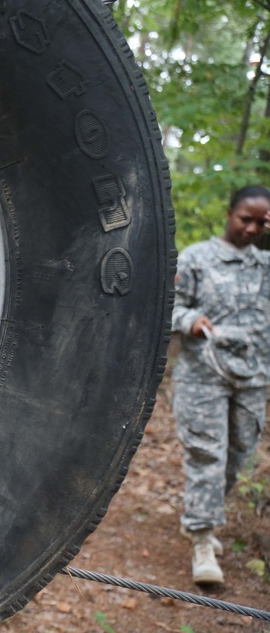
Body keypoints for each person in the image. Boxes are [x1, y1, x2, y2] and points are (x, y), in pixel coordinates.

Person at [172, 184, 270, 585]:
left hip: (253, 377)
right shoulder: (196, 258)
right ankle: (201, 538)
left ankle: (202, 514)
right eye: (245, 218)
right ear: (230, 214)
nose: (251, 228)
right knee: (207, 454)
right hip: (204, 375)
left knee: (240, 454)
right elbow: (171, 305)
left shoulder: (265, 264)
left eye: (261, 222)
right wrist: (189, 321)